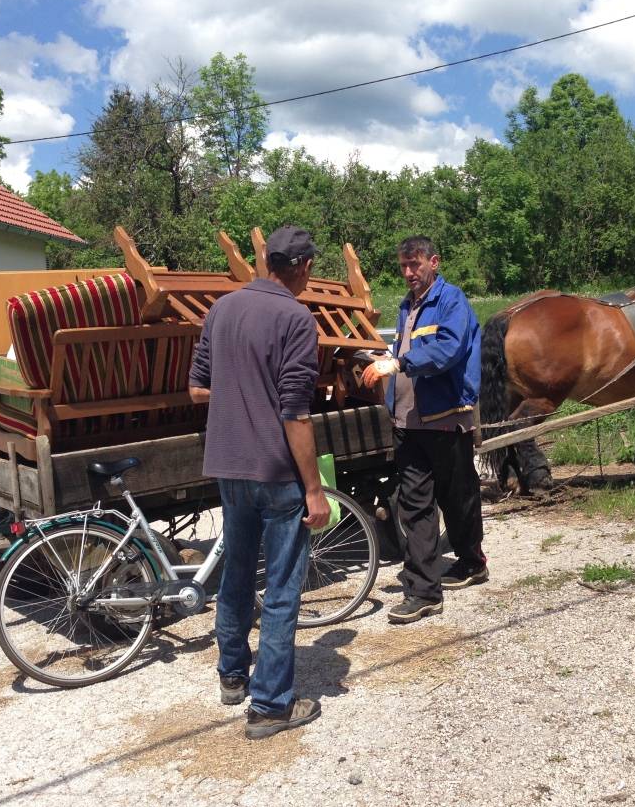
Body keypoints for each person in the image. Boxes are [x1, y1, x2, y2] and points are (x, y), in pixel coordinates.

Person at [188, 225, 330, 739]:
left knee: (237, 573)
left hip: (228, 465)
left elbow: (197, 388)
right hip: (275, 470)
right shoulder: (296, 318)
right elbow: (296, 412)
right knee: (283, 587)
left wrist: (238, 390)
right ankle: (270, 706)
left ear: (268, 260)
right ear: (305, 268)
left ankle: (232, 675)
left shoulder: (221, 310)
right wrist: (314, 488)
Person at [361, 236, 487, 624]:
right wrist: (385, 358)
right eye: (403, 266)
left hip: (445, 418)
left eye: (415, 265)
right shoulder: (407, 306)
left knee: (459, 496)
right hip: (410, 422)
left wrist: (398, 365)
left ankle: (471, 561)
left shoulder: (451, 301)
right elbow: (404, 351)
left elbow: (449, 350)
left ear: (434, 262)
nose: (408, 273)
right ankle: (423, 590)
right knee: (416, 505)